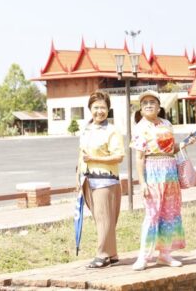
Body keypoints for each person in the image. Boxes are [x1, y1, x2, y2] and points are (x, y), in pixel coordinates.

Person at [131, 90, 196, 271]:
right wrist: (142, 182)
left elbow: (170, 149)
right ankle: (144, 256)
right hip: (152, 171)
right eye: (145, 103)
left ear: (159, 107)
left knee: (170, 213)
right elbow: (139, 157)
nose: (149, 105)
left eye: (152, 102)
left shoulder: (167, 124)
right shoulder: (140, 127)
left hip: (170, 172)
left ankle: (165, 254)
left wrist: (186, 142)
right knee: (152, 214)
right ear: (141, 109)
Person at [77, 90, 125, 268]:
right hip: (88, 179)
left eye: (103, 108)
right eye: (96, 107)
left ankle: (102, 255)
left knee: (105, 218)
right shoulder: (86, 129)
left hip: (106, 180)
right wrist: (78, 176)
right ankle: (112, 254)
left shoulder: (112, 131)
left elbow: (119, 156)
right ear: (90, 108)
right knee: (101, 218)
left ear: (108, 109)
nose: (99, 111)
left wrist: (94, 159)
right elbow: (81, 154)